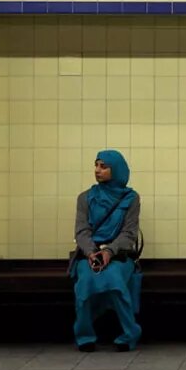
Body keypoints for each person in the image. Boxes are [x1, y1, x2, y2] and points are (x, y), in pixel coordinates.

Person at [70, 149, 142, 352]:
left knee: (115, 281)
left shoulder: (131, 198)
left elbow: (129, 233)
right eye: (96, 165)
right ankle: (84, 336)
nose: (97, 170)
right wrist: (92, 252)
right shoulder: (85, 198)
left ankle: (130, 332)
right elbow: (82, 231)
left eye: (104, 166)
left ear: (116, 170)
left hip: (119, 256)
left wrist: (110, 251)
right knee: (85, 283)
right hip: (89, 255)